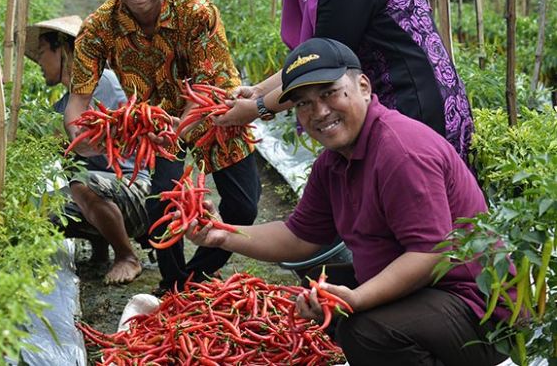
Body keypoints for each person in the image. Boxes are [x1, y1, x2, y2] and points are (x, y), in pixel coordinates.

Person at [187, 38, 509, 365]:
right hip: (434, 294)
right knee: (324, 285)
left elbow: (427, 254)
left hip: (481, 313)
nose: (320, 112)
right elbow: (299, 237)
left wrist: (357, 299)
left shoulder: (400, 151)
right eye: (304, 103)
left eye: (329, 93)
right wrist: (222, 234)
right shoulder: (334, 162)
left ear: (364, 86)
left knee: (364, 331)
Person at [63, 0, 261, 294]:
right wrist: (80, 138)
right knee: (162, 207)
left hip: (215, 112)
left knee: (243, 208)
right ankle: (172, 284)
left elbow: (202, 89)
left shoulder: (196, 13)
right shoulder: (97, 29)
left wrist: (176, 128)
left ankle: (196, 276)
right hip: (155, 123)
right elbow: (79, 99)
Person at [217, 0, 474, 162]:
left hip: (415, 111)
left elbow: (316, 70)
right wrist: (258, 90)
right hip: (407, 102)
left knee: (417, 196)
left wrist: (257, 108)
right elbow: (313, 59)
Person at [25, 16, 151, 285]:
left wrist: (59, 139)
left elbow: (92, 146)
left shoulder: (101, 82)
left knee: (81, 183)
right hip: (111, 190)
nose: (38, 64)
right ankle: (100, 247)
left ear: (63, 49)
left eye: (42, 53)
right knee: (36, 211)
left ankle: (127, 256)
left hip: (138, 190)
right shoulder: (62, 106)